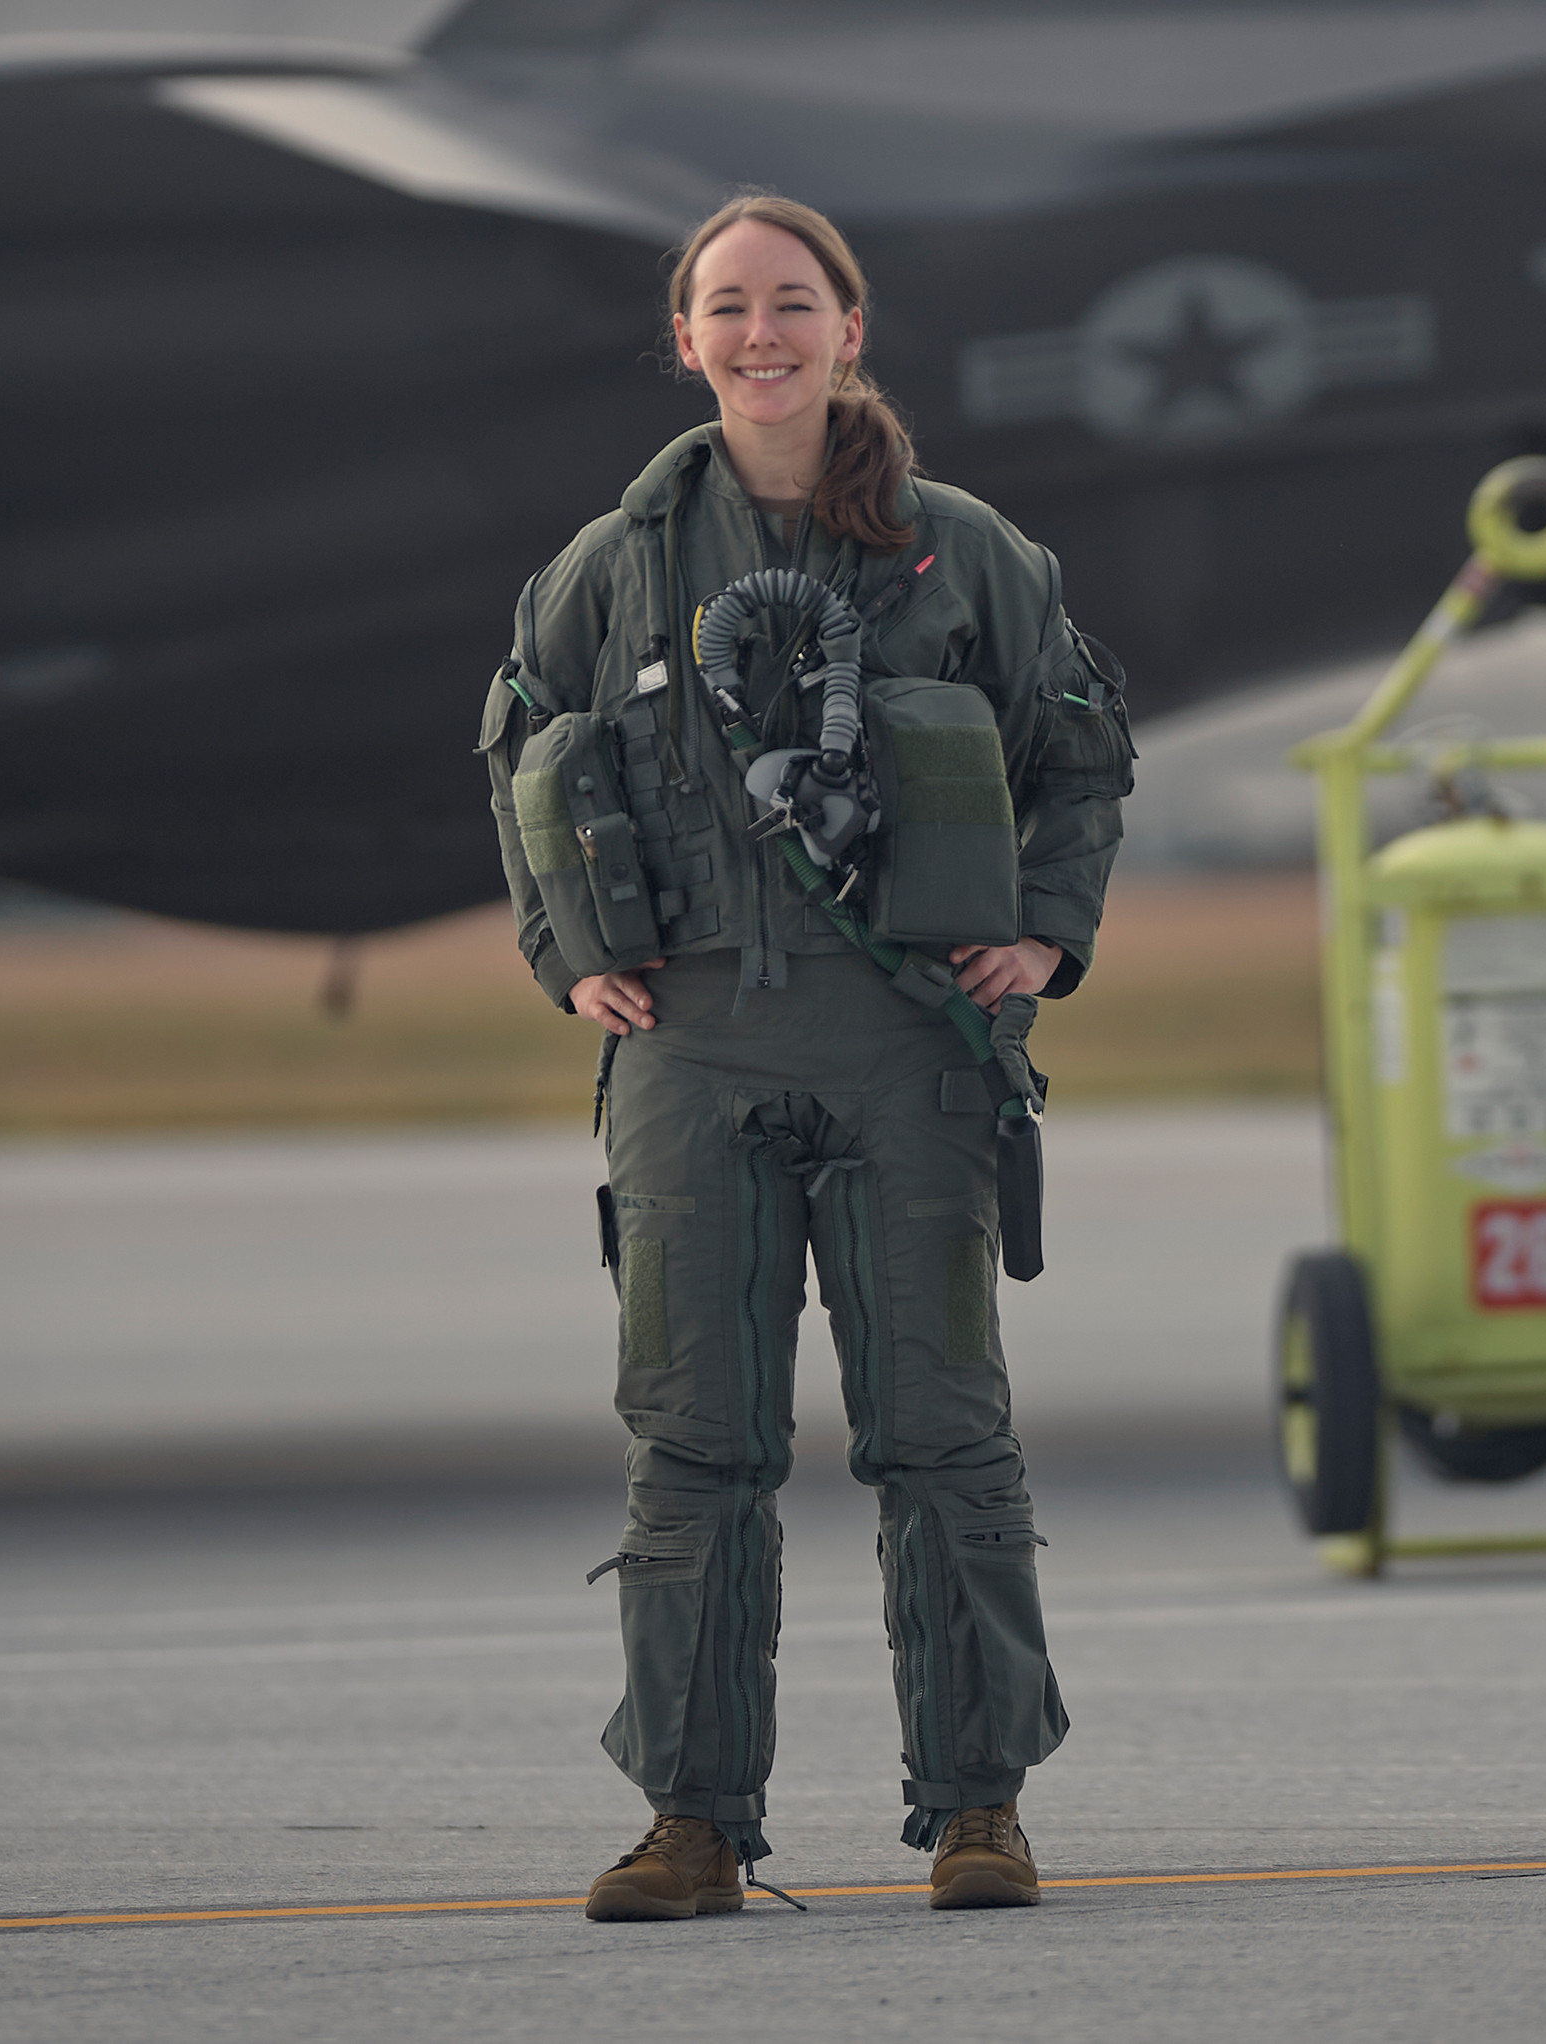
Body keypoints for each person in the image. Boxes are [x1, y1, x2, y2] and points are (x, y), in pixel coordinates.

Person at [478, 194, 1130, 1920]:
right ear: (684, 340)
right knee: (695, 1449)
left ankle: (978, 1807)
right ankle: (694, 1822)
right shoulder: (612, 567)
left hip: (906, 1051)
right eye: (725, 309)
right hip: (691, 1059)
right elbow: (520, 751)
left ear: (851, 328)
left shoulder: (960, 550)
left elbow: (1076, 752)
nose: (759, 335)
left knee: (942, 1440)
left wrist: (1046, 932)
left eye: (792, 303)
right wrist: (568, 955)